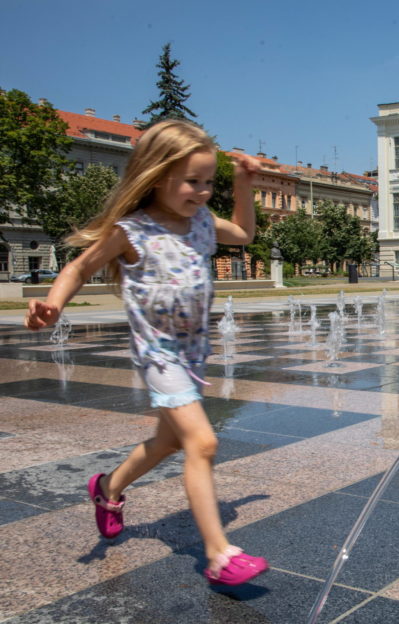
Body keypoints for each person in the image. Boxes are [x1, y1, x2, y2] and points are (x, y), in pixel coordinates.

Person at [24, 120, 267, 586]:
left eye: (208, 182)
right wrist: (53, 303)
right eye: (193, 182)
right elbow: (79, 268)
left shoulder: (200, 221)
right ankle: (219, 555)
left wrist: (242, 185)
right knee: (203, 442)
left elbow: (242, 232)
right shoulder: (131, 231)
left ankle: (108, 488)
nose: (201, 192)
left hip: (192, 351)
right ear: (157, 176)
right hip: (158, 354)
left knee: (168, 442)